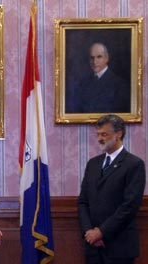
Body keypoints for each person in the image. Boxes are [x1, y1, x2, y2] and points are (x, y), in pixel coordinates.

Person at [78, 114, 145, 264]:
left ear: (119, 134)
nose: (99, 138)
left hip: (119, 247)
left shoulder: (134, 164)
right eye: (98, 134)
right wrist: (89, 233)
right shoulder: (93, 164)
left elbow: (129, 207)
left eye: (104, 134)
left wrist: (101, 233)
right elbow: (83, 202)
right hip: (93, 247)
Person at [66, 42, 130, 113]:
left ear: (106, 58)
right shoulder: (83, 83)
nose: (94, 62)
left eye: (99, 57)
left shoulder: (120, 85)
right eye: (92, 58)